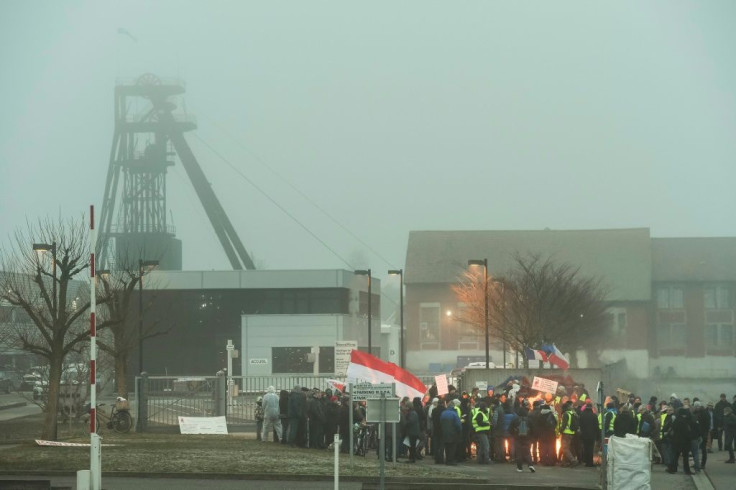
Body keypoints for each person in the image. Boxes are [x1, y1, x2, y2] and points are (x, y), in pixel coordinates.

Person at [510, 399, 535, 473]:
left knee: (519, 452)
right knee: (527, 452)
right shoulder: (529, 420)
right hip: (527, 438)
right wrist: (531, 437)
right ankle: (530, 465)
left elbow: (510, 429)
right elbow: (533, 429)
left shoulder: (515, 419)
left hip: (517, 438)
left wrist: (514, 435)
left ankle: (520, 467)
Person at [668, 407, 693, 475]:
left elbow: (672, 430)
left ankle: (672, 468)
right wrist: (690, 438)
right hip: (684, 443)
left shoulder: (676, 420)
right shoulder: (684, 421)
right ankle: (687, 470)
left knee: (675, 456)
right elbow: (687, 432)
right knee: (685, 457)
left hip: (676, 442)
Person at [441, 399, 463, 466]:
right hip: (453, 433)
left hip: (444, 433)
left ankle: (447, 460)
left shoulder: (443, 413)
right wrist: (460, 431)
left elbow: (440, 423)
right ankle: (451, 460)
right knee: (452, 447)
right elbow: (458, 424)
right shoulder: (454, 414)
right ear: (453, 406)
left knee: (447, 447)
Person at [559, 401, 579, 467]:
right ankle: (564, 463)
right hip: (571, 433)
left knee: (565, 448)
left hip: (566, 433)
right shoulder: (573, 413)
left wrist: (560, 430)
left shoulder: (565, 414)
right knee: (566, 448)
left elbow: (564, 424)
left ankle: (573, 460)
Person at [537, 402, 558, 466]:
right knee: (550, 447)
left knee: (543, 447)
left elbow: (538, 425)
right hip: (551, 434)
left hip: (542, 434)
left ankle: (543, 461)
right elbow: (555, 423)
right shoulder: (552, 415)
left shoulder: (540, 415)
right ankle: (550, 461)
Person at [580, 402, 598, 467]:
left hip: (584, 434)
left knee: (585, 448)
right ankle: (590, 462)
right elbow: (596, 426)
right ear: (591, 408)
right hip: (591, 435)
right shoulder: (594, 416)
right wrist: (598, 436)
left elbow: (580, 425)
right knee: (590, 448)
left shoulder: (582, 415)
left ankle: (586, 461)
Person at [431, 398, 446, 464]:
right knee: (442, 446)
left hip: (435, 429)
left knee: (436, 445)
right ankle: (441, 459)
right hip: (442, 430)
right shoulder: (445, 410)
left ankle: (437, 459)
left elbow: (432, 418)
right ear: (443, 403)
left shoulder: (434, 410)